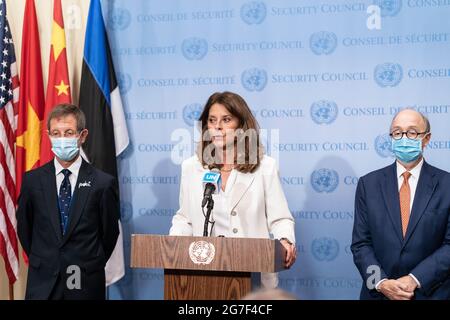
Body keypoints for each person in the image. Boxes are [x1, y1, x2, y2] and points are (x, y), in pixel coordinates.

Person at [169, 91, 296, 288]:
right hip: (205, 274)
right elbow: (185, 218)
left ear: (241, 126)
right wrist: (173, 247)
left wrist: (285, 240)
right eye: (212, 120)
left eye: (226, 119)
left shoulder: (265, 167)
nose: (218, 126)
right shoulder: (191, 167)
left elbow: (280, 218)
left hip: (254, 274)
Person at [16, 104, 120, 300]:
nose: (61, 139)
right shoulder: (32, 181)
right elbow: (25, 230)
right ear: (48, 135)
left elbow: (109, 235)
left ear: (82, 135)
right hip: (43, 282)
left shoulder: (103, 183)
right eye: (56, 133)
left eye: (69, 132)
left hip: (85, 282)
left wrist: (87, 262)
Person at [351, 109, 450, 300]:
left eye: (412, 132)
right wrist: (380, 282)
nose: (404, 138)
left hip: (432, 293)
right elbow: (361, 244)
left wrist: (415, 279)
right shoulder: (368, 184)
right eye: (397, 132)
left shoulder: (446, 185)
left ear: (426, 139)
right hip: (379, 294)